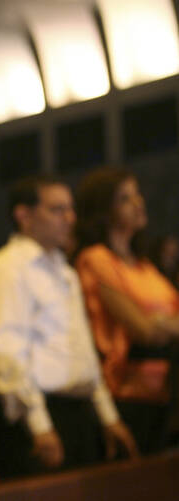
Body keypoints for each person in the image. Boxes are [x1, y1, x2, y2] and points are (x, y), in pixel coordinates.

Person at [0, 175, 138, 478]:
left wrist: (107, 415)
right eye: (57, 209)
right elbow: (8, 352)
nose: (69, 218)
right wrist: (39, 424)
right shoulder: (9, 269)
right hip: (37, 414)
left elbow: (84, 352)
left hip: (76, 410)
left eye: (70, 208)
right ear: (24, 216)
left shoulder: (63, 270)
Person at [75, 167, 179, 455]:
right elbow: (142, 330)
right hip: (127, 395)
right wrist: (159, 324)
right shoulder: (96, 258)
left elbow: (161, 322)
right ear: (103, 211)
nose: (138, 203)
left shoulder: (143, 265)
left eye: (137, 195)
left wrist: (162, 323)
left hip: (165, 392)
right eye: (125, 198)